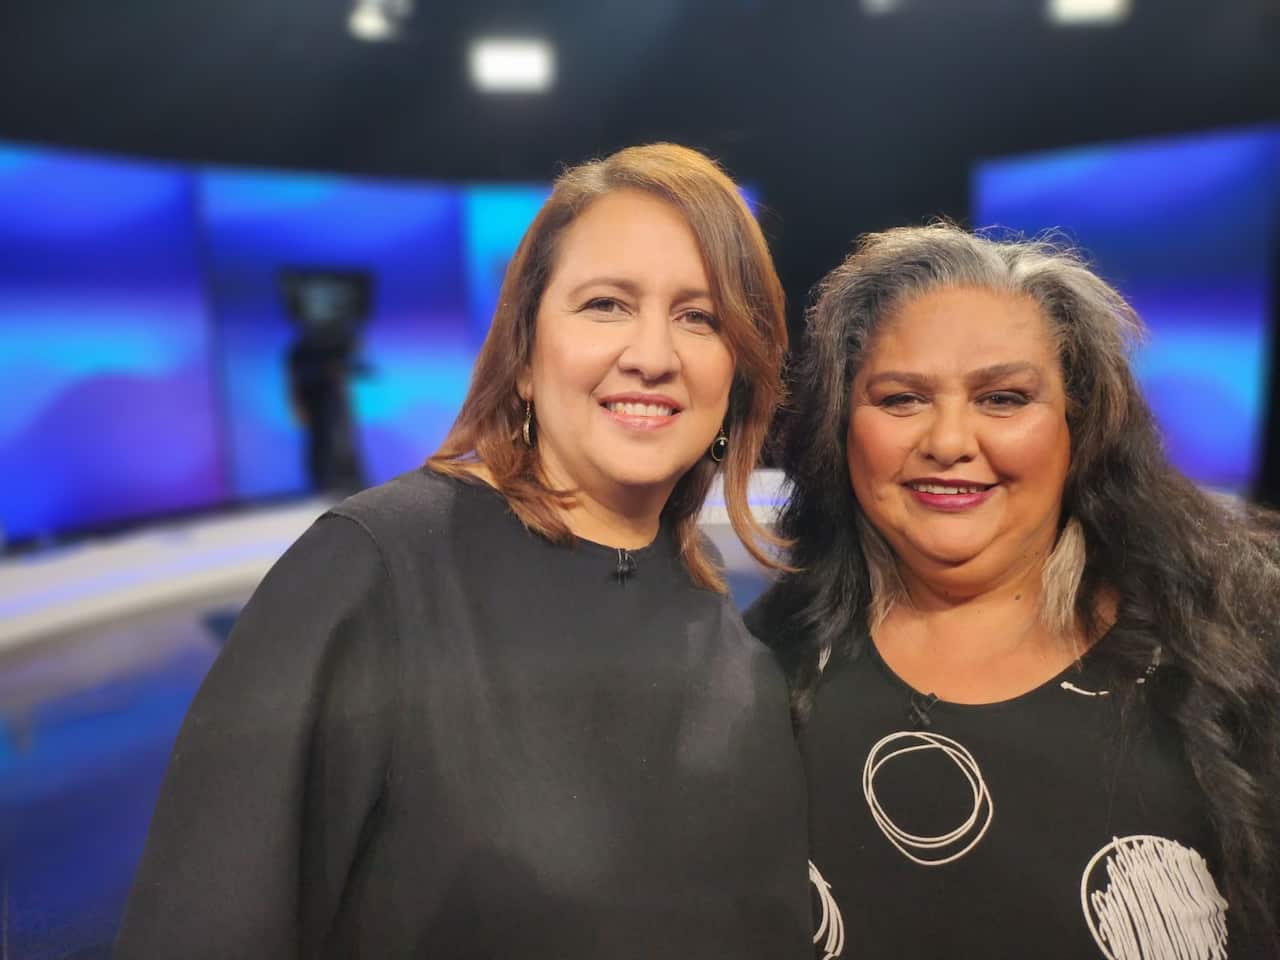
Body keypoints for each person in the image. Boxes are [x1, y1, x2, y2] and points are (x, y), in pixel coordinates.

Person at [115, 144, 811, 958]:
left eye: (700, 317)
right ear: (523, 354)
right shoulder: (375, 571)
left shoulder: (738, 646)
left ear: (739, 368)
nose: (654, 356)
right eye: (606, 305)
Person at [747, 223, 1280, 959]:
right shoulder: (764, 667)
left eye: (1002, 399)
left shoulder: (1244, 648)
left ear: (1081, 424)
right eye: (901, 399)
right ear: (841, 427)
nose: (949, 440)